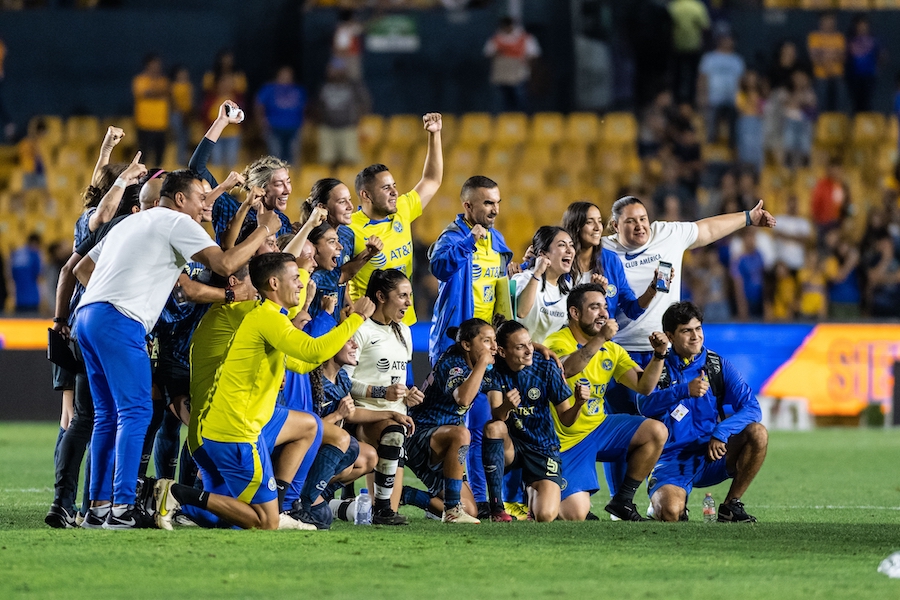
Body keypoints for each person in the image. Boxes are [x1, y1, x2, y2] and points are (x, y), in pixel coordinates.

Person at [71, 169, 279, 529]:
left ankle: (98, 506)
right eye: (201, 198)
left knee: (108, 415)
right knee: (135, 412)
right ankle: (122, 508)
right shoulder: (175, 222)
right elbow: (225, 264)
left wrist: (122, 289)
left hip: (89, 316)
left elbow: (82, 269)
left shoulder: (129, 223)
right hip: (120, 320)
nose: (204, 206)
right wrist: (265, 229)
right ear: (180, 198)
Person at [156, 253, 375, 531]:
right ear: (273, 283)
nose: (300, 284)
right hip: (235, 430)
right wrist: (356, 319)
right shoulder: (265, 318)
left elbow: (304, 361)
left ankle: (171, 499)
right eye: (295, 278)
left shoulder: (269, 318)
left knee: (229, 520)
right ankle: (177, 493)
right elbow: (313, 350)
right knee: (265, 522)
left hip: (228, 425)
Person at [544, 283, 669, 521]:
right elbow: (566, 370)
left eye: (604, 307)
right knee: (575, 514)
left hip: (600, 428)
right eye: (594, 307)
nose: (603, 313)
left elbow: (644, 386)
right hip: (566, 441)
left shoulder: (611, 350)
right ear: (575, 313)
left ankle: (623, 500)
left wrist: (659, 355)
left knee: (656, 431)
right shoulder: (556, 342)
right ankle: (537, 490)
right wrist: (601, 338)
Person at [427, 175, 511, 517]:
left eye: (497, 202)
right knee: (457, 428)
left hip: (487, 348)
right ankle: (450, 500)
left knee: (483, 425)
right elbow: (439, 266)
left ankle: (485, 503)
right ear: (468, 206)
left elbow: (500, 289)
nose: (494, 209)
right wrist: (468, 242)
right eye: (487, 203)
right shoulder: (452, 237)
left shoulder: (498, 240)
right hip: (456, 349)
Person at [638, 301, 768, 523]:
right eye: (686, 331)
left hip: (711, 453)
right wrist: (683, 391)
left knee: (758, 433)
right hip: (671, 459)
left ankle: (730, 507)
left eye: (698, 329)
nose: (695, 336)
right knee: (670, 512)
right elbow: (644, 405)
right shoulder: (659, 365)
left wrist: (722, 431)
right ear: (670, 336)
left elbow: (752, 408)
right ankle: (666, 505)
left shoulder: (717, 365)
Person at [483, 320, 588, 522]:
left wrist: (579, 404)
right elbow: (498, 416)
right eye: (520, 347)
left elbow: (566, 419)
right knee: (493, 428)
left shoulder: (547, 367)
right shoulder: (494, 369)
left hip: (543, 447)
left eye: (530, 344)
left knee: (546, 515)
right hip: (512, 447)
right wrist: (506, 406)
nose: (529, 350)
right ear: (503, 352)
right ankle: (496, 509)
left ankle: (530, 491)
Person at [348, 112, 444, 325]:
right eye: (385, 188)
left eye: (394, 186)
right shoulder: (349, 228)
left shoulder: (403, 208)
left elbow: (432, 180)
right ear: (366, 195)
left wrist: (434, 135)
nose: (394, 192)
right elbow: (339, 276)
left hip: (404, 322)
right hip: (367, 325)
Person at [344, 269, 422, 525]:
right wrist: (380, 393)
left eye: (409, 296)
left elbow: (398, 379)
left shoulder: (404, 331)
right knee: (392, 433)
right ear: (380, 296)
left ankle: (343, 507)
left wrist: (409, 395)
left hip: (397, 416)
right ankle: (382, 511)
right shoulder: (360, 329)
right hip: (365, 414)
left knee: (386, 497)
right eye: (402, 296)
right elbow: (344, 380)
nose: (408, 302)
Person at [408, 318, 500, 524]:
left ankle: (406, 495)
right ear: (466, 345)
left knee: (472, 510)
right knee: (461, 433)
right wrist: (483, 364)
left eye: (494, 341)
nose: (493, 347)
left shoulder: (478, 363)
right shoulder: (452, 363)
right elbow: (463, 398)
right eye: (487, 341)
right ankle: (451, 510)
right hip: (420, 435)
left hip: (443, 444)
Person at [192, 100, 294, 243]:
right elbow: (197, 166)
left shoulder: (283, 222)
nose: (287, 190)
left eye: (288, 182)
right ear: (260, 188)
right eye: (279, 184)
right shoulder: (229, 207)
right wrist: (221, 121)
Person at [300, 178, 382, 330]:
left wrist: (350, 306)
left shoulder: (347, 235)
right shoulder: (305, 241)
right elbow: (342, 274)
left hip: (335, 321)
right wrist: (368, 254)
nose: (350, 207)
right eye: (342, 201)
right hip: (312, 325)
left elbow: (341, 282)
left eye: (350, 200)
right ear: (322, 207)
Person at [509, 226, 573, 344]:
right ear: (543, 254)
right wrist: (537, 273)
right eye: (562, 245)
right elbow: (521, 312)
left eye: (571, 245)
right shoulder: (524, 278)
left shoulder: (568, 289)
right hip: (520, 352)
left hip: (548, 354)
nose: (569, 250)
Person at [314, 59, 371, 169]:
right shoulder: (324, 86)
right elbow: (317, 106)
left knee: (349, 159)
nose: (331, 72)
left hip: (348, 128)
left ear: (342, 71)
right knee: (327, 160)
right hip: (327, 128)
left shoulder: (352, 85)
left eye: (335, 69)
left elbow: (365, 102)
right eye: (330, 69)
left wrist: (357, 119)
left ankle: (348, 183)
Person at [483, 16, 541, 113]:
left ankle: (523, 119)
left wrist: (532, 71)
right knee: (504, 99)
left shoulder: (525, 38)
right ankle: (506, 121)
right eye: (504, 27)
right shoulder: (496, 38)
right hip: (502, 75)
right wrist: (500, 53)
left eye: (508, 26)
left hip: (519, 74)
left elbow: (534, 55)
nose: (506, 29)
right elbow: (488, 54)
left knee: (520, 97)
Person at [698, 32, 744, 147]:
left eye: (730, 39)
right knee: (711, 124)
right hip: (713, 97)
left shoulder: (737, 60)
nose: (729, 42)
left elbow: (741, 82)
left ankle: (731, 148)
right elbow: (702, 78)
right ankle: (711, 146)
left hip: (731, 99)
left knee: (733, 124)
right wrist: (701, 96)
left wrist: (740, 100)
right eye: (726, 39)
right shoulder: (709, 58)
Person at [255, 66, 307, 165]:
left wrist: (304, 124)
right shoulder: (269, 88)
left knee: (294, 156)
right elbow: (258, 105)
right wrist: (261, 121)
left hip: (294, 128)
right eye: (283, 75)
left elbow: (305, 108)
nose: (285, 77)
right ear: (277, 76)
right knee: (275, 157)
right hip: (274, 128)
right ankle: (277, 179)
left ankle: (293, 179)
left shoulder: (298, 90)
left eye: (288, 75)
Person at [667, 0, 710, 106]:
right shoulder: (697, 6)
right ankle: (690, 103)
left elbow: (667, 27)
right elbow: (705, 27)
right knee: (693, 76)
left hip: (676, 47)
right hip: (693, 47)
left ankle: (676, 102)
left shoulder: (673, 6)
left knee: (676, 76)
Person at [132, 54, 170, 166]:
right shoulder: (140, 80)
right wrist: (160, 92)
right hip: (144, 124)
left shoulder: (164, 81)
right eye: (153, 65)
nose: (156, 68)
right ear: (147, 66)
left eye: (158, 65)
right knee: (143, 157)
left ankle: (157, 181)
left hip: (161, 125)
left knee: (159, 159)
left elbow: (168, 94)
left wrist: (156, 92)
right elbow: (145, 93)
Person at [807, 11, 846, 112]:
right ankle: (821, 126)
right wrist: (833, 54)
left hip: (837, 75)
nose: (829, 23)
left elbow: (842, 56)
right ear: (821, 22)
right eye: (826, 21)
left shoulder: (839, 37)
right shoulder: (814, 37)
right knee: (821, 105)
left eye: (831, 21)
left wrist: (823, 54)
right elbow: (814, 57)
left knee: (840, 105)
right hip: (821, 76)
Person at [845, 15, 880, 114]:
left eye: (864, 25)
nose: (862, 28)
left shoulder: (874, 40)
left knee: (867, 103)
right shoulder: (850, 40)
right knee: (855, 103)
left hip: (869, 76)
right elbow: (845, 56)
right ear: (856, 27)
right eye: (860, 25)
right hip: (854, 76)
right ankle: (856, 126)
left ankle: (866, 126)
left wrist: (877, 64)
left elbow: (881, 55)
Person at [10, 232, 43, 314]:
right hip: (32, 298)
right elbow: (39, 276)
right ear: (35, 243)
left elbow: (11, 277)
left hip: (18, 298)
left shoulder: (16, 254)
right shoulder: (34, 254)